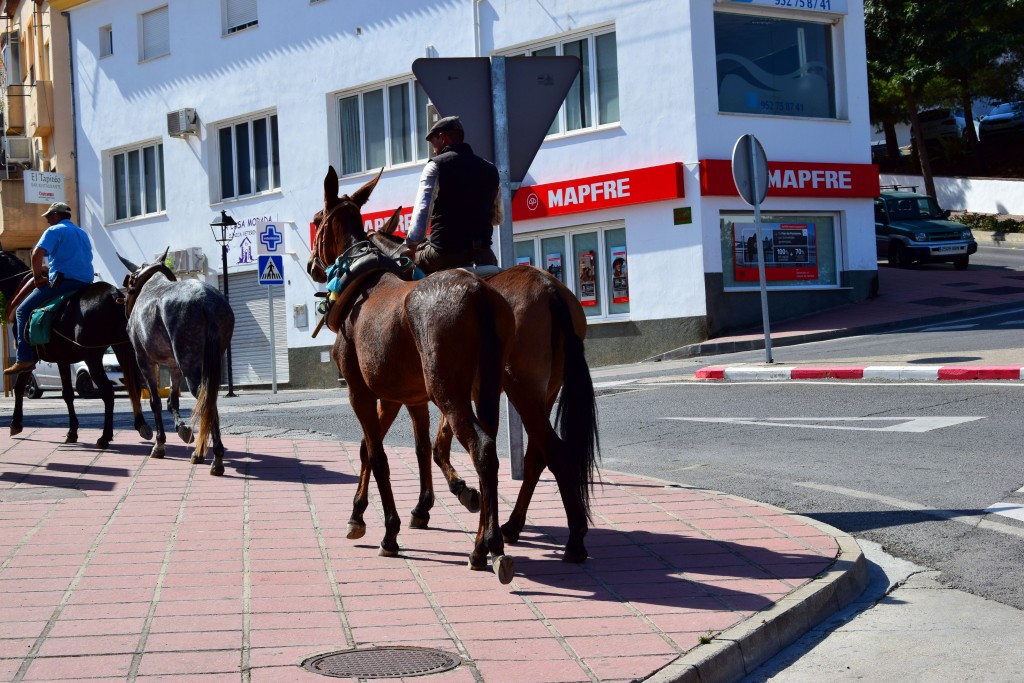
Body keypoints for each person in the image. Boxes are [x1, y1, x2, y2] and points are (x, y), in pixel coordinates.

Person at [4, 202, 95, 375]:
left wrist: (38, 278)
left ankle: (24, 358)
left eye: (48, 217)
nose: (47, 221)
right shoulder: (82, 233)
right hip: (86, 283)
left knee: (22, 311)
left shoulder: (54, 231)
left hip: (63, 283)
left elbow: (37, 254)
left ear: (56, 215)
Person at [404, 115, 500, 274]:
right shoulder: (491, 169)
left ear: (442, 138)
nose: (434, 151)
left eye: (434, 145)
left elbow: (422, 212)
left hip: (444, 254)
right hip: (484, 256)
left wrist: (412, 245)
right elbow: (497, 218)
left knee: (405, 268)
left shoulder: (435, 166)